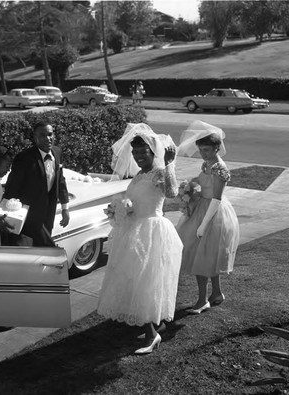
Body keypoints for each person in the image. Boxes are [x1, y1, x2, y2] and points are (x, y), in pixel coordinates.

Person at [97, 123, 183, 355]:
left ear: (153, 153)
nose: (138, 157)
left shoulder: (158, 172)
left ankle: (151, 334)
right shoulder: (139, 174)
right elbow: (134, 200)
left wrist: (168, 164)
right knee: (136, 279)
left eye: (142, 153)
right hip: (133, 230)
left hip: (152, 232)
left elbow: (172, 192)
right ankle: (154, 323)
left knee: (147, 281)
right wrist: (120, 208)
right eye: (135, 153)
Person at [176, 120, 240, 314]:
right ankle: (217, 293)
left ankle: (202, 300)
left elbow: (217, 199)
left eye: (207, 150)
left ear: (217, 148)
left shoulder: (219, 169)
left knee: (201, 255)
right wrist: (190, 188)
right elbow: (202, 183)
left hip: (213, 213)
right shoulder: (207, 163)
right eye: (201, 149)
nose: (203, 153)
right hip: (201, 208)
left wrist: (203, 225)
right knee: (207, 255)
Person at [2, 121, 70, 247]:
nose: (48, 138)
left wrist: (65, 209)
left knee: (40, 246)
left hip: (49, 211)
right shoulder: (24, 158)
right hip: (30, 215)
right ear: (35, 138)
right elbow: (13, 186)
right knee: (48, 246)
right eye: (43, 135)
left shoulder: (57, 152)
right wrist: (7, 213)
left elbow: (60, 181)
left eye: (50, 134)